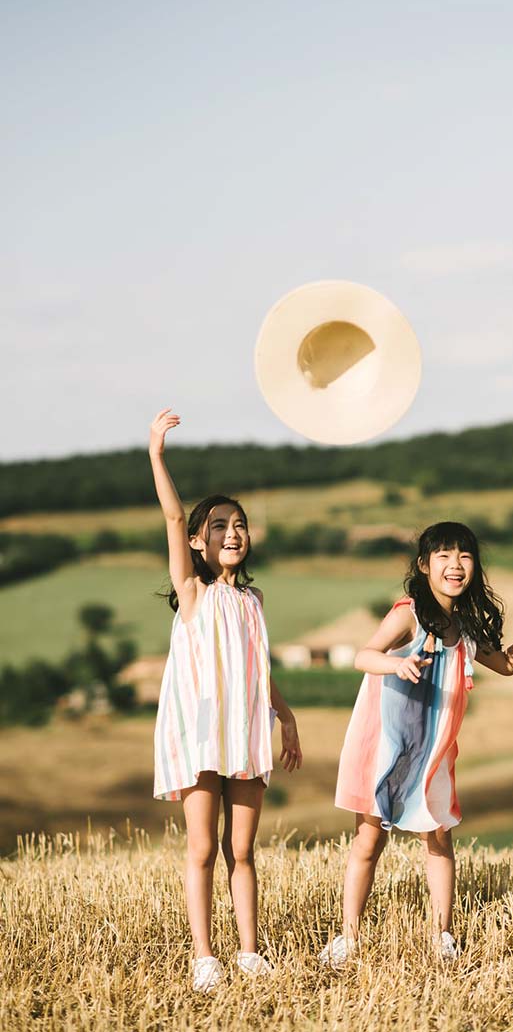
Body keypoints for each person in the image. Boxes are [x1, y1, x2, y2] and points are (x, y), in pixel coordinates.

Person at [323, 520, 513, 967]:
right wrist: (398, 666)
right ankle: (348, 938)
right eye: (445, 556)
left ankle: (442, 936)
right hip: (388, 750)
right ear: (424, 565)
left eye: (465, 555)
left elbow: (508, 664)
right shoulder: (408, 614)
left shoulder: (466, 627)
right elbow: (363, 655)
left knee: (439, 841)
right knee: (368, 842)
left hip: (433, 755)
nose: (456, 564)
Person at [149, 408, 302, 993]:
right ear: (196, 541)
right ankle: (204, 956)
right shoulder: (192, 592)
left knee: (243, 849)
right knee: (203, 848)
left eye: (238, 524)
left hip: (246, 731)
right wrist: (158, 455)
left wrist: (285, 717)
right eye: (217, 526)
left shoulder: (255, 600)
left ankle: (249, 951)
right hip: (199, 733)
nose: (231, 533)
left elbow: (259, 670)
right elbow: (168, 511)